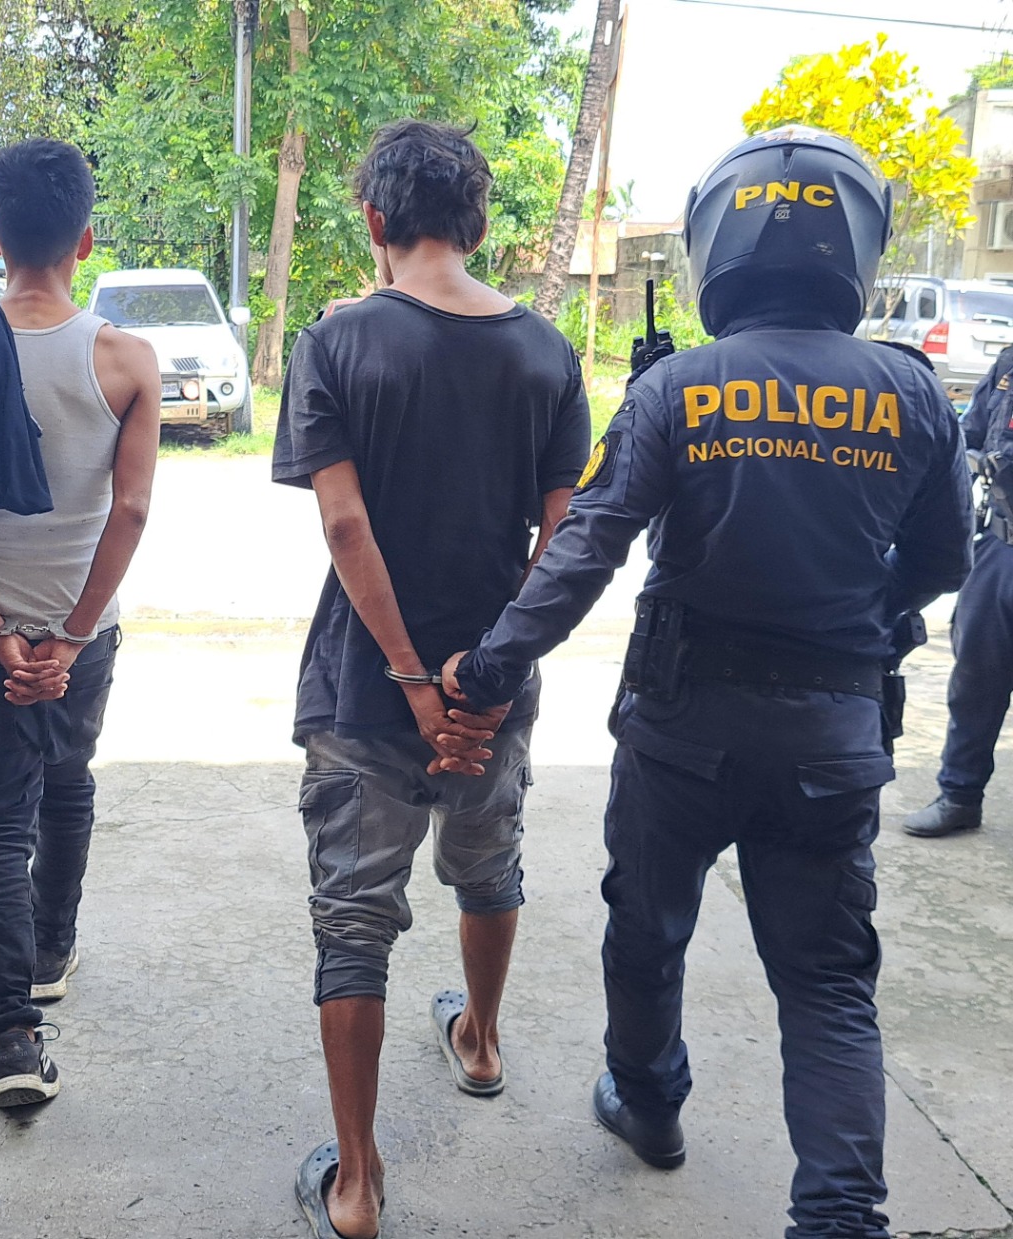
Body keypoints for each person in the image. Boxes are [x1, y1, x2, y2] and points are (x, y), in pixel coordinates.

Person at [445, 128, 973, 1238]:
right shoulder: (914, 392)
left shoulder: (680, 389)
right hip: (832, 735)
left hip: (681, 731)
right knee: (827, 985)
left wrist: (488, 667)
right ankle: (840, 1213)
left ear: (716, 245)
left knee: (647, 933)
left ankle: (649, 1105)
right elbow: (941, 564)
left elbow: (583, 551)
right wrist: (862, 616)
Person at [273, 119, 590, 1239]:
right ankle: (482, 1042)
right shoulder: (547, 352)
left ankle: (358, 1185)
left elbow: (345, 525)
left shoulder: (336, 342)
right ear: (479, 225)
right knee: (488, 865)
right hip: (495, 692)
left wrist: (413, 679)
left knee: (354, 922)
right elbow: (564, 542)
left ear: (374, 219)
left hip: (366, 687)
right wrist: (487, 681)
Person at [0, 139, 161, 1110]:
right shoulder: (125, 359)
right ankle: (51, 951)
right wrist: (72, 638)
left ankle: (12, 1036)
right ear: (85, 240)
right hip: (83, 635)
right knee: (67, 779)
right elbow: (130, 511)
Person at [903, 342, 1013, 837]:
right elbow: (969, 434)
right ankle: (960, 794)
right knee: (976, 677)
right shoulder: (1010, 365)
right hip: (1002, 545)